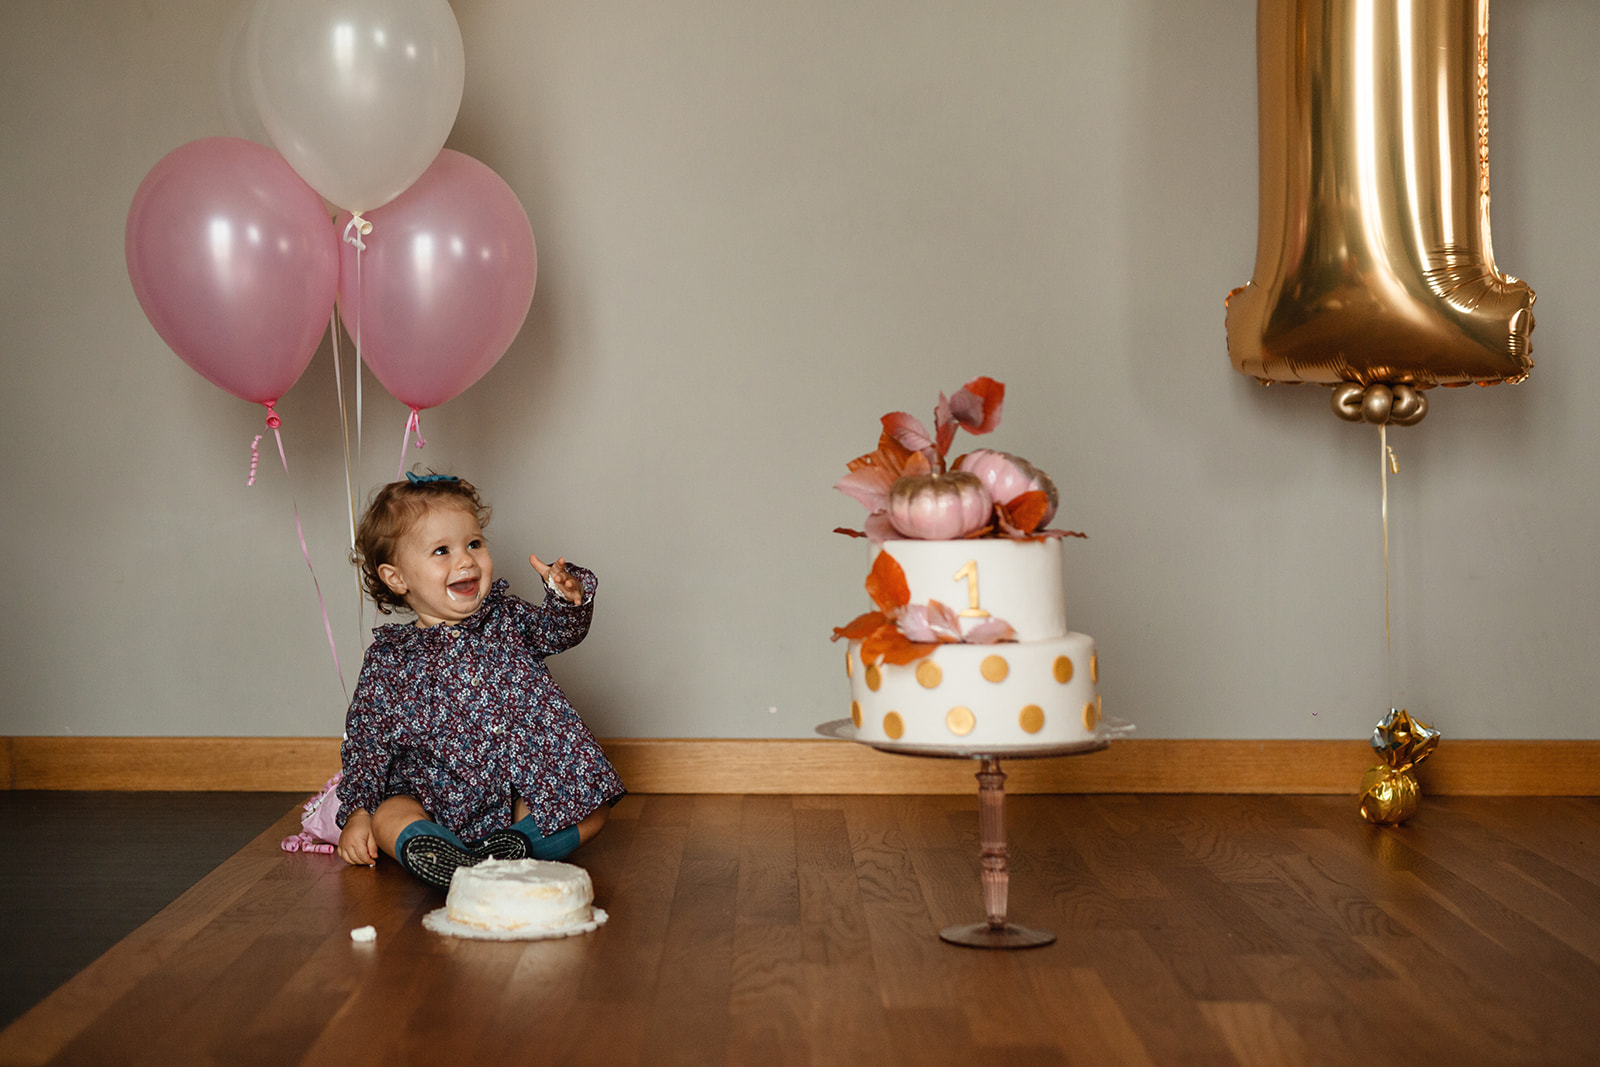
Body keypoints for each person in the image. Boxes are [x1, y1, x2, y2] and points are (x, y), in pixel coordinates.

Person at [334, 471, 624, 888]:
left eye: (474, 543)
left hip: (515, 787)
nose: (466, 560)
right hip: (432, 794)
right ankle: (435, 851)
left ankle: (514, 847)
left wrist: (567, 598)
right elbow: (367, 738)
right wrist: (359, 811)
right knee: (389, 815)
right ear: (397, 577)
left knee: (590, 804)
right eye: (441, 551)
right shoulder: (391, 659)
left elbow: (557, 632)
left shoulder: (505, 619)